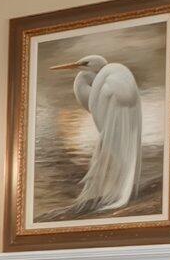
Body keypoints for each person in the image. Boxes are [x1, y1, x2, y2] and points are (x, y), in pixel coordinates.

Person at [52, 53, 144, 216]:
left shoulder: (109, 82)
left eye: (85, 64)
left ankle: (117, 191)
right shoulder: (110, 78)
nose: (77, 66)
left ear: (97, 66)